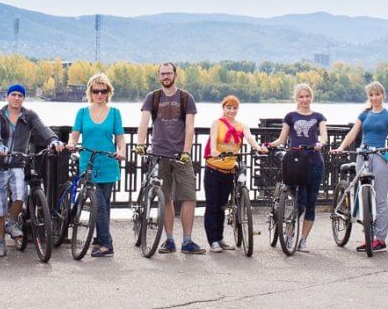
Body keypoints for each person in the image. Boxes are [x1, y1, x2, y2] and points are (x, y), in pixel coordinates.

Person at [135, 62, 202, 254]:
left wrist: (186, 151)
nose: (166, 76)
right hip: (159, 154)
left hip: (181, 156)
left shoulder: (186, 98)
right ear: (159, 77)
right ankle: (169, 240)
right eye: (162, 74)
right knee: (165, 198)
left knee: (189, 197)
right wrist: (141, 143)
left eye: (169, 73)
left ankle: (187, 241)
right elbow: (144, 122)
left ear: (175, 75)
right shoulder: (153, 97)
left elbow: (190, 127)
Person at [0, 83, 62, 257]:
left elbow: (42, 128)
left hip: (17, 163)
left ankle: (12, 223)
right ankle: (0, 244)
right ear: (7, 96)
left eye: (20, 95)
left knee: (20, 193)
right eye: (13, 94)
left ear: (23, 98)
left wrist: (53, 140)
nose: (16, 98)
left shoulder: (29, 116)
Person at [332, 81, 388, 252]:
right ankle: (368, 236)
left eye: (377, 94)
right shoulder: (364, 114)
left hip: (379, 155)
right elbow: (352, 134)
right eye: (371, 95)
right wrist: (340, 148)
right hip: (363, 155)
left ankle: (380, 239)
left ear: (383, 95)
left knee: (381, 199)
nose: (374, 98)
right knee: (364, 197)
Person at [67, 73, 125, 257]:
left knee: (104, 205)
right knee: (98, 203)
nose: (99, 94)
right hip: (88, 161)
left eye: (103, 90)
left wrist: (122, 151)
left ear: (108, 92)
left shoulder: (115, 113)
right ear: (90, 92)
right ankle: (107, 243)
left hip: (108, 161)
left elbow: (120, 138)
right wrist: (70, 143)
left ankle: (99, 240)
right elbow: (75, 135)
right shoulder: (82, 113)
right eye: (96, 90)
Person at [266, 83, 328, 252]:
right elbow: (281, 139)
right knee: (298, 202)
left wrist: (320, 144)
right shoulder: (290, 116)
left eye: (307, 96)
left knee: (311, 202)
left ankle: (303, 240)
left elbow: (324, 137)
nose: (304, 100)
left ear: (311, 97)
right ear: (297, 99)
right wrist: (268, 145)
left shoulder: (319, 117)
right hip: (295, 163)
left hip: (314, 162)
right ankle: (289, 233)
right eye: (301, 97)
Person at [203, 95, 266, 253]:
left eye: (234, 108)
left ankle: (220, 238)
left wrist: (258, 148)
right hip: (213, 169)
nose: (231, 111)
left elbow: (250, 138)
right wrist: (214, 150)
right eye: (228, 107)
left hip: (229, 171)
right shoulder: (217, 123)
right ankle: (213, 241)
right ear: (223, 108)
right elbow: (212, 138)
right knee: (212, 207)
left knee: (222, 206)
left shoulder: (241, 125)